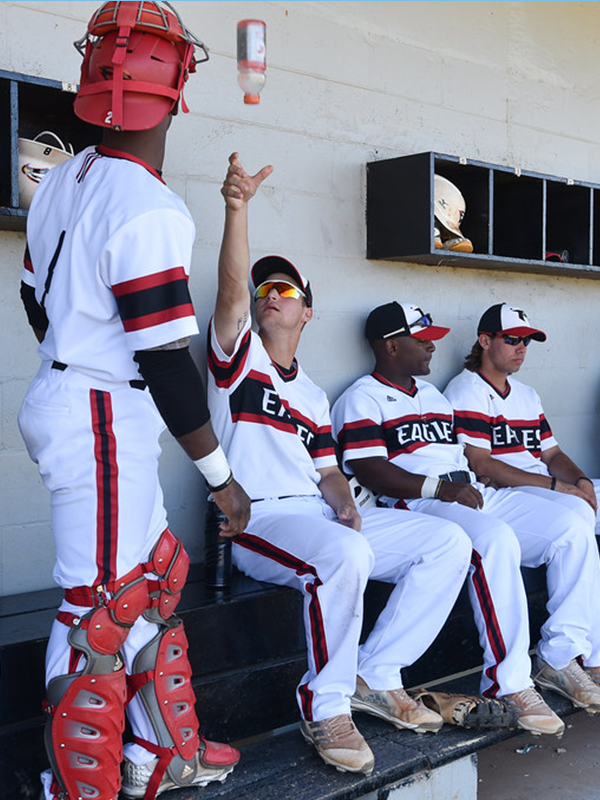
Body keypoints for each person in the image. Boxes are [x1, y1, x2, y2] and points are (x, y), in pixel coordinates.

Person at [18, 4, 250, 799]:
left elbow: (37, 309)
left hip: (80, 394)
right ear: (178, 82)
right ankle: (75, 787)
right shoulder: (148, 204)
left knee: (155, 577)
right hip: (99, 411)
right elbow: (166, 362)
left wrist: (76, 352)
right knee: (102, 609)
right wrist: (221, 477)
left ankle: (159, 757)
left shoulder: (62, 178)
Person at [207, 154, 472, 775]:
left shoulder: (314, 395)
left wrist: (349, 507)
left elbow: (329, 472)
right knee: (346, 556)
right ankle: (324, 705)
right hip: (260, 525)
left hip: (318, 518)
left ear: (307, 312)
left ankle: (374, 674)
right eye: (265, 289)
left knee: (447, 542)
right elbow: (228, 291)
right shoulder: (236, 358)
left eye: (286, 291)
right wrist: (236, 208)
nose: (271, 296)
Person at [332, 300, 600, 735]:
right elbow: (370, 470)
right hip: (421, 502)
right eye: (421, 340)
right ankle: (508, 682)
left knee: (572, 527)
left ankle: (559, 658)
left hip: (471, 491)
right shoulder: (360, 397)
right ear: (390, 346)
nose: (432, 348)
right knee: (495, 541)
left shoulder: (433, 395)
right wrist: (439, 489)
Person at [444, 301, 600, 695]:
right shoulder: (466, 389)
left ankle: (591, 648)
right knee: (575, 525)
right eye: (512, 339)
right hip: (506, 493)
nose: (521, 348)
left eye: (526, 341)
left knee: (586, 504)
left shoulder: (527, 394)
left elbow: (552, 455)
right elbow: (480, 464)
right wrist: (556, 487)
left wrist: (580, 480)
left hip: (541, 486)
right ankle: (565, 655)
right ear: (484, 340)